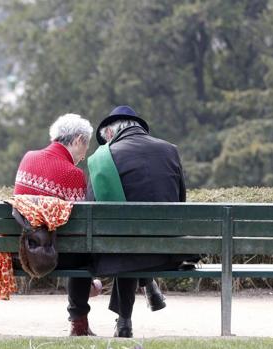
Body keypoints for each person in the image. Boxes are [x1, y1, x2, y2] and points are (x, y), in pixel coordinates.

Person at [84, 105, 192, 338]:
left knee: (126, 244)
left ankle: (125, 321)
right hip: (168, 249)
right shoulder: (170, 150)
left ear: (110, 134)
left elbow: (93, 209)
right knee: (134, 243)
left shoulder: (103, 157)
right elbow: (181, 199)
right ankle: (148, 285)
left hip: (123, 252)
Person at [12, 113, 101, 335]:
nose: (85, 153)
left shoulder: (28, 157)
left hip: (21, 251)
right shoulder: (72, 173)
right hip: (54, 255)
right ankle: (79, 323)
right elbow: (78, 227)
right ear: (79, 139)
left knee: (78, 250)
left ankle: (85, 301)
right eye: (86, 146)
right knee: (83, 254)